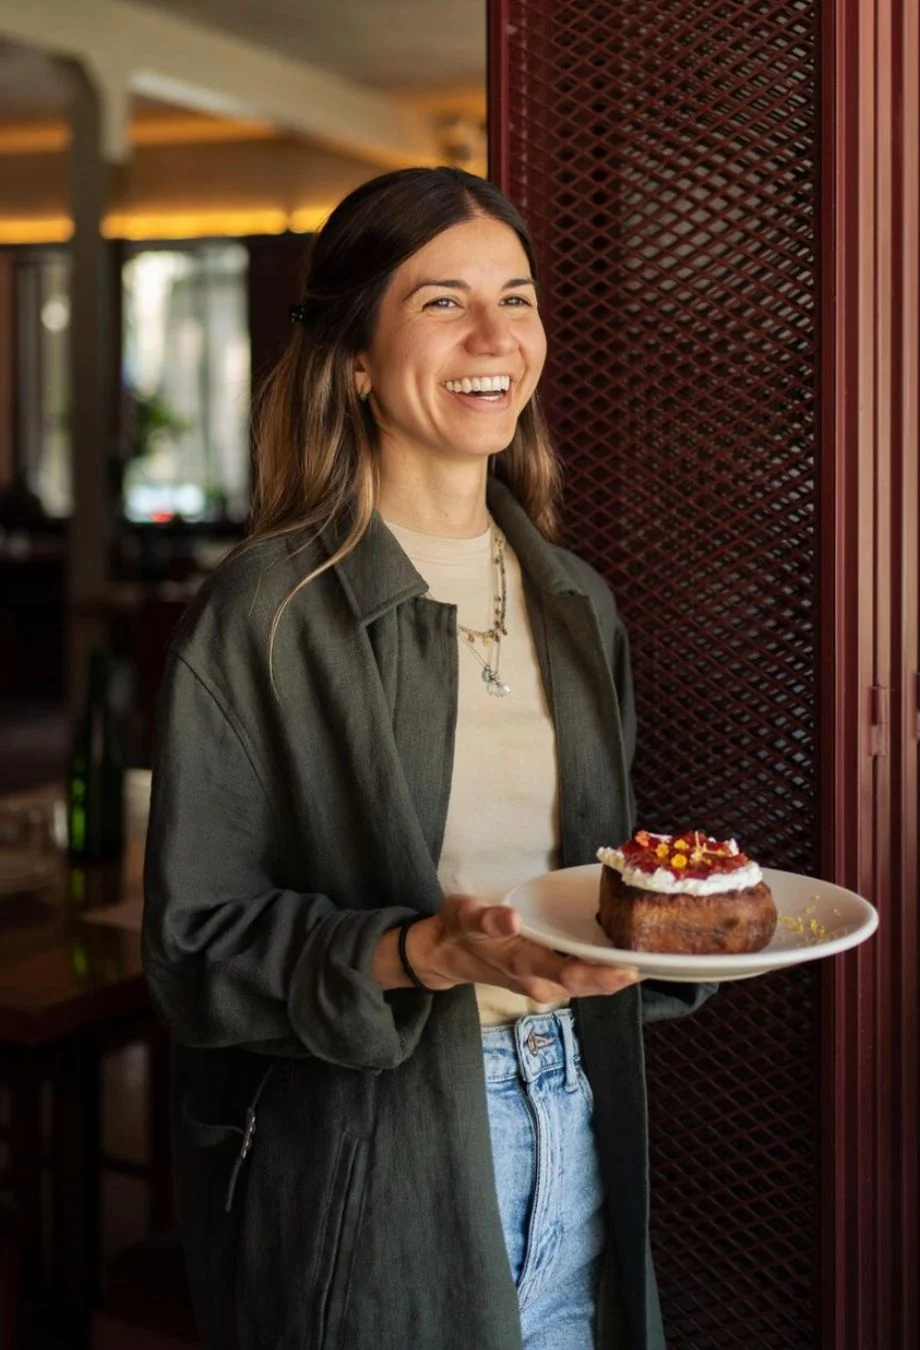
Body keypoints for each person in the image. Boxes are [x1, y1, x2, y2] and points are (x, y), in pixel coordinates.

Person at [142, 167, 714, 1350]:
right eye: (443, 302)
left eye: (518, 296)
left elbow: (586, 893)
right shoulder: (267, 610)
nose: (496, 336)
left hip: (577, 1111)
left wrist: (663, 937)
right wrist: (413, 951)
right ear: (355, 356)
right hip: (380, 1157)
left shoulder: (573, 602)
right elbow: (195, 954)